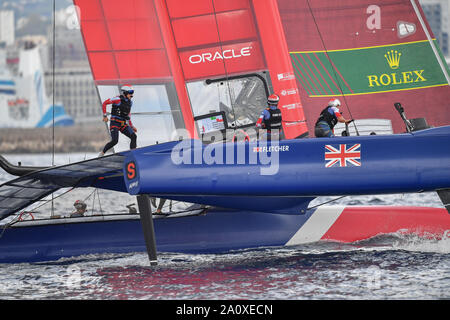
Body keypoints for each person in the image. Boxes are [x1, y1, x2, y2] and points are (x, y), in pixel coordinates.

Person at [99, 85, 137, 156]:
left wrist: (131, 126)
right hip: (115, 123)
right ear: (125, 92)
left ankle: (133, 154)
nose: (132, 95)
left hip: (123, 124)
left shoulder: (130, 103)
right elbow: (104, 103)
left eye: (132, 93)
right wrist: (105, 115)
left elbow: (128, 115)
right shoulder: (117, 99)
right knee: (115, 141)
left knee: (133, 136)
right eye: (130, 93)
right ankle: (102, 153)